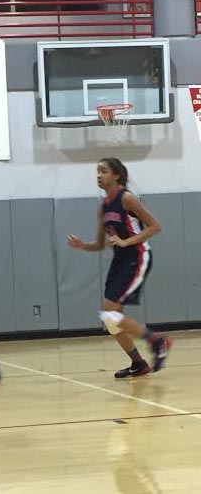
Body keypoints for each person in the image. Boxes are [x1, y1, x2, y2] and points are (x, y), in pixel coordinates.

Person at [67, 157, 171, 378]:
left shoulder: (127, 199)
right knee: (109, 318)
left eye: (103, 171)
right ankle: (138, 363)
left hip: (138, 256)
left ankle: (157, 341)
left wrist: (126, 242)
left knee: (110, 315)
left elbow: (155, 226)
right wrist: (81, 246)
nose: (98, 175)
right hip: (120, 260)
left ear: (116, 175)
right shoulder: (103, 207)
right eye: (97, 171)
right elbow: (99, 245)